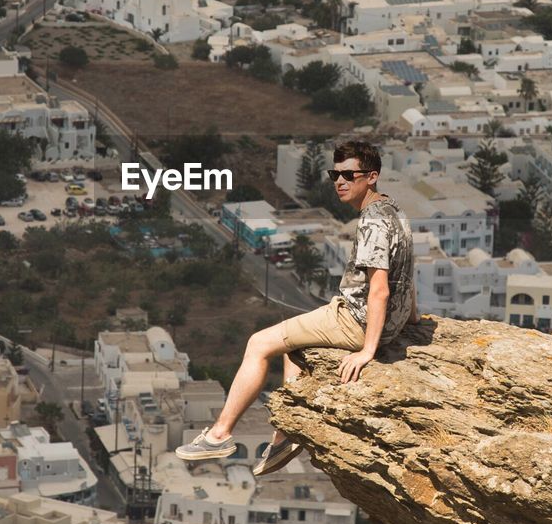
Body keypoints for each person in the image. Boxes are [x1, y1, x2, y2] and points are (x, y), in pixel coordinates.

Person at [176, 140, 417, 475]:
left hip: (356, 319)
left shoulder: (373, 222)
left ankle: (219, 434)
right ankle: (285, 435)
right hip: (386, 320)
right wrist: (411, 320)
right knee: (292, 347)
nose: (340, 182)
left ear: (372, 177)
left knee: (258, 343)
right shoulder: (395, 211)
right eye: (335, 174)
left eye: (350, 174)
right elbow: (406, 274)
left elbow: (378, 290)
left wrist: (367, 351)